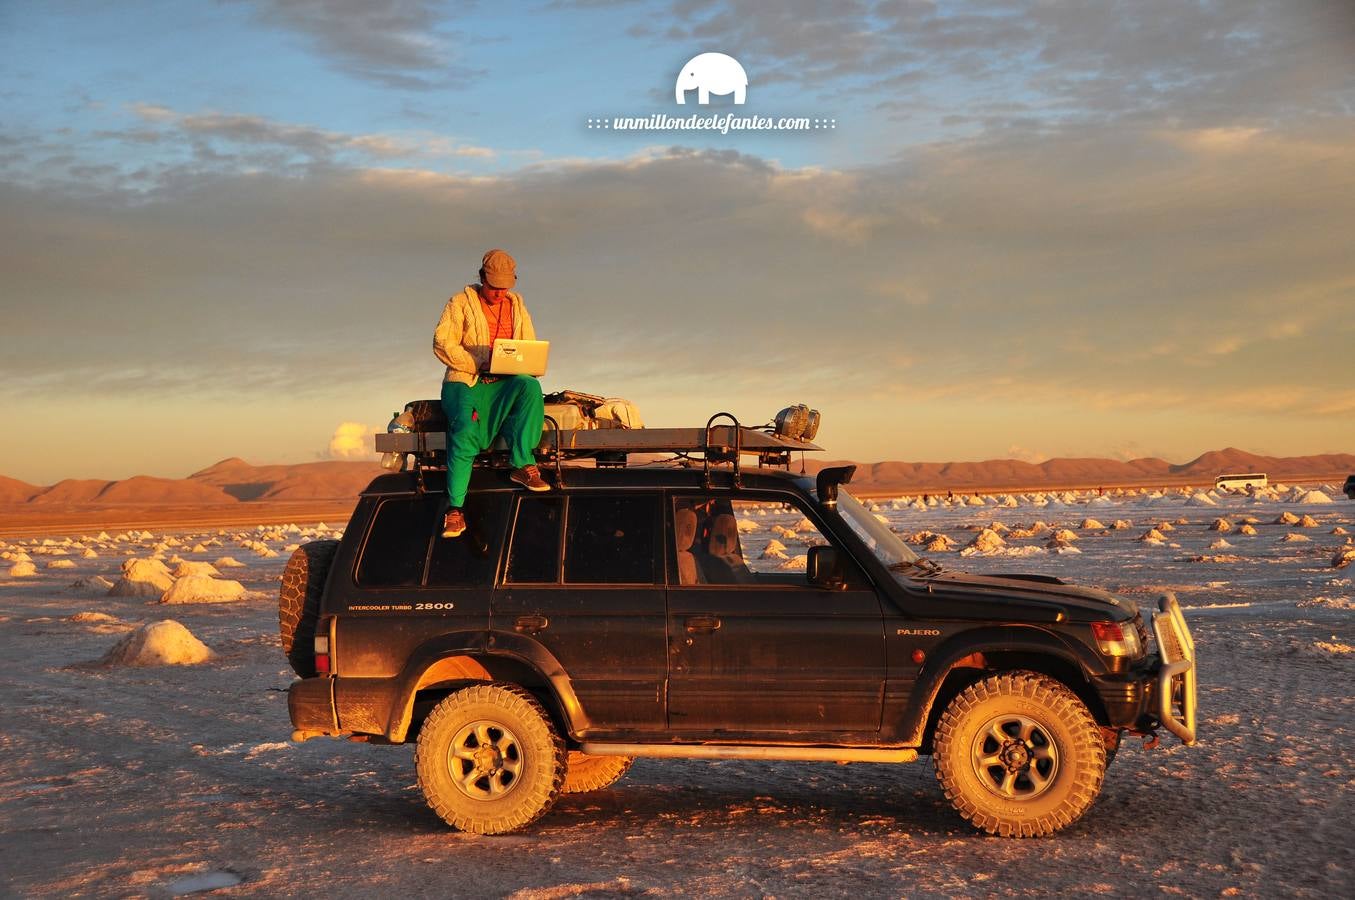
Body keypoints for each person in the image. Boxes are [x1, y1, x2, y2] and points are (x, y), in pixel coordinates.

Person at [432, 248, 549, 538]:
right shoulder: (460, 303)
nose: (498, 293)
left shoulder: (517, 306)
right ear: (482, 278)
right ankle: (455, 508)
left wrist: (522, 363)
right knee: (466, 428)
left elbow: (528, 346)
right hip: (466, 381)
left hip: (504, 381)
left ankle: (522, 463)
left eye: (504, 287)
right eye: (493, 286)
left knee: (530, 387)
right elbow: (442, 343)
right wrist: (480, 362)